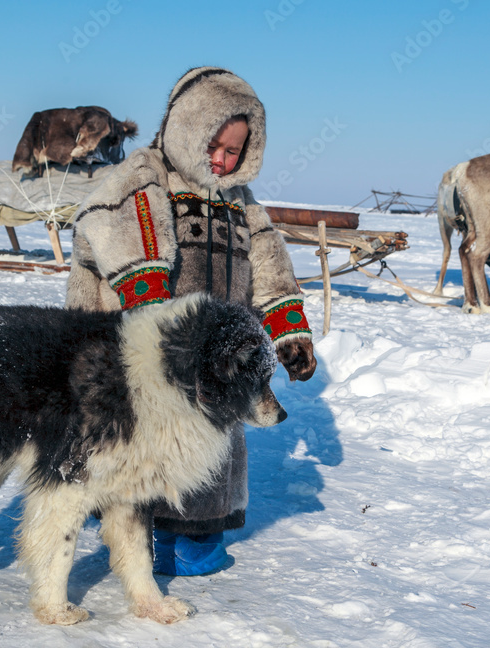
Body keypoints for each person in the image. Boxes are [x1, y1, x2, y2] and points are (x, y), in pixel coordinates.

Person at [66, 67, 317, 575]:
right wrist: (154, 304)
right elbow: (109, 219)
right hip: (149, 350)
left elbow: (268, 260)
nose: (224, 161)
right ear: (187, 128)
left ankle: (196, 543)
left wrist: (289, 330)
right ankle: (145, 543)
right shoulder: (146, 174)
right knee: (146, 449)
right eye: (215, 146)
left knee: (211, 446)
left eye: (235, 152)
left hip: (217, 361)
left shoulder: (240, 202)